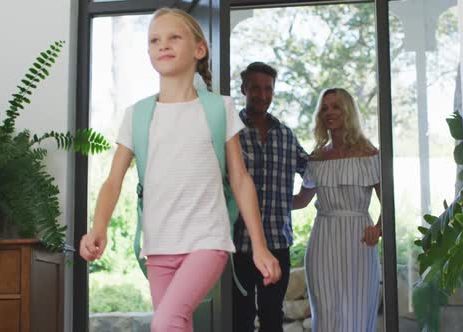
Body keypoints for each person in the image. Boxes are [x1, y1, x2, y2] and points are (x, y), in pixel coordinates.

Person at [78, 8, 281, 332]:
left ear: (198, 49)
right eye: (154, 40)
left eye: (174, 36)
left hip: (208, 240)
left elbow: (241, 180)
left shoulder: (219, 108)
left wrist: (259, 245)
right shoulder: (138, 114)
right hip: (157, 246)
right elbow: (113, 181)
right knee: (177, 323)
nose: (163, 44)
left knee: (165, 323)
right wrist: (98, 227)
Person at [293, 88, 382, 332]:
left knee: (358, 313)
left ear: (348, 112)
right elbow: (301, 200)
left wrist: (378, 228)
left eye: (336, 106)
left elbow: (388, 203)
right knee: (326, 316)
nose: (329, 112)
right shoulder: (318, 158)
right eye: (324, 108)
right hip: (323, 242)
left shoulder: (369, 154)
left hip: (360, 242)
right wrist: (264, 200)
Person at [233, 62, 309, 332]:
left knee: (272, 317)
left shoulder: (286, 135)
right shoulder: (230, 133)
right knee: (240, 318)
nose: (262, 95)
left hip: (277, 243)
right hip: (238, 244)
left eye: (268, 89)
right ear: (244, 89)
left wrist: (302, 200)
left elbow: (310, 169)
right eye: (255, 88)